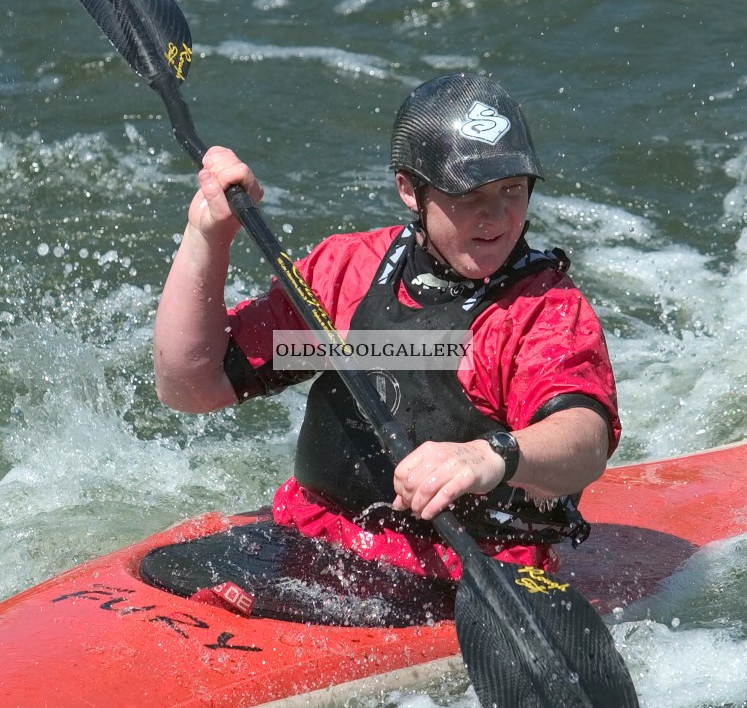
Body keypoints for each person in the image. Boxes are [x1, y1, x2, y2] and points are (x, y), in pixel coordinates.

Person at [153, 72, 620, 582]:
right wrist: (208, 237)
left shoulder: (541, 310)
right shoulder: (349, 272)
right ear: (409, 190)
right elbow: (195, 386)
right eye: (468, 194)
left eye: (511, 189)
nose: (497, 216)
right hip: (315, 537)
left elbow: (585, 439)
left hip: (466, 572)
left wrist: (488, 455)